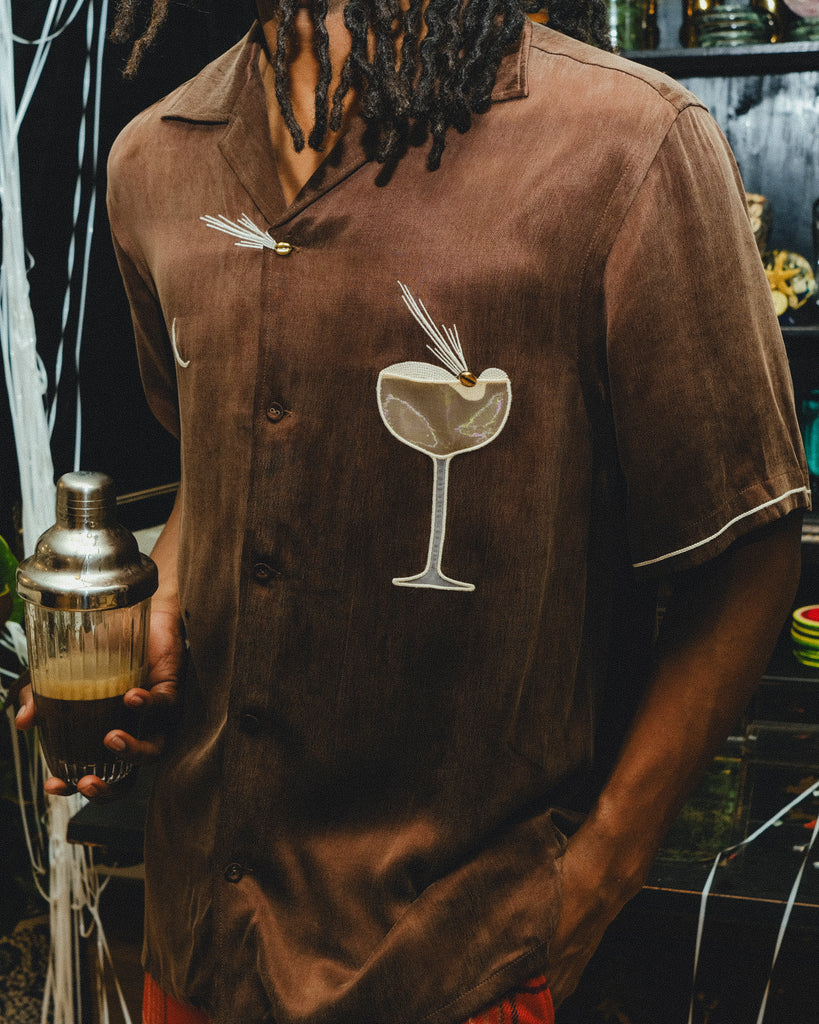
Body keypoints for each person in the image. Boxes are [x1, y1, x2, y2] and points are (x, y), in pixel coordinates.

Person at [16, 1, 811, 1022]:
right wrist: (156, 614)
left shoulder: (627, 142)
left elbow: (748, 551)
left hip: (463, 965)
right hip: (199, 950)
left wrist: (594, 879)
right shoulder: (152, 161)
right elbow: (210, 481)